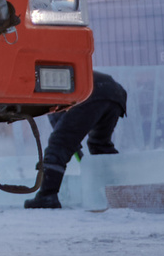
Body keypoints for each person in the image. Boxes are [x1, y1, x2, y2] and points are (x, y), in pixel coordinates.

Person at [26, 69, 127, 208]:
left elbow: (62, 133)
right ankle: (118, 189)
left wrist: (72, 146)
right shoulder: (51, 76)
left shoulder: (41, 87)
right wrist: (74, 146)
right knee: (99, 144)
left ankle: (47, 196)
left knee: (58, 143)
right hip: (115, 93)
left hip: (92, 91)